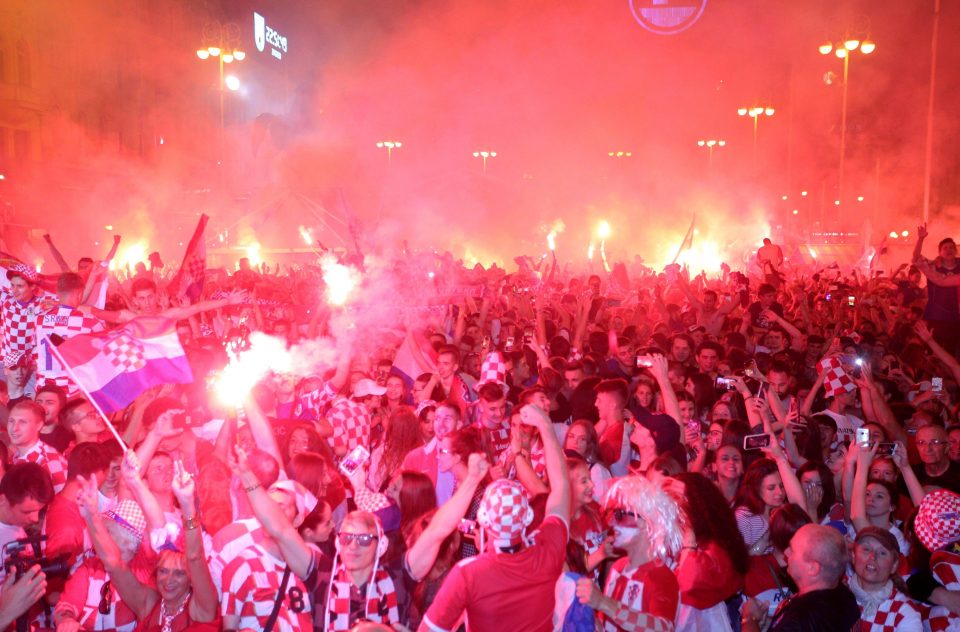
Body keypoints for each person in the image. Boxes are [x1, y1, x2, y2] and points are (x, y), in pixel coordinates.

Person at [422, 402, 569, 632]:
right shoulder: (548, 550)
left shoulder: (467, 574)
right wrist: (545, 426)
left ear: (483, 519)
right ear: (527, 517)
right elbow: (561, 488)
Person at [574, 475, 682, 632]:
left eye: (620, 515)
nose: (612, 523)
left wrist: (603, 603)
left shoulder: (662, 577)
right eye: (612, 515)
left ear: (647, 523)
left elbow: (663, 628)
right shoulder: (618, 567)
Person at [740, 524, 860, 631]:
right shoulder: (844, 595)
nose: (786, 553)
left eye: (792, 549)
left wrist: (750, 619)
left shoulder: (802, 618)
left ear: (812, 568)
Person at [849, 526, 921, 630]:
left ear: (894, 566)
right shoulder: (834, 596)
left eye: (882, 553)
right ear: (853, 556)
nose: (872, 556)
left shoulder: (904, 612)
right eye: (866, 549)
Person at [0, 463, 55, 585]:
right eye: (27, 512)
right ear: (3, 500)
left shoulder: (16, 524)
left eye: (39, 510)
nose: (35, 519)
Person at [8, 400, 68, 493]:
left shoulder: (50, 461)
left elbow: (62, 504)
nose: (14, 428)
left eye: (22, 422)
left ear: (39, 425)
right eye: (11, 421)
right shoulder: (15, 456)